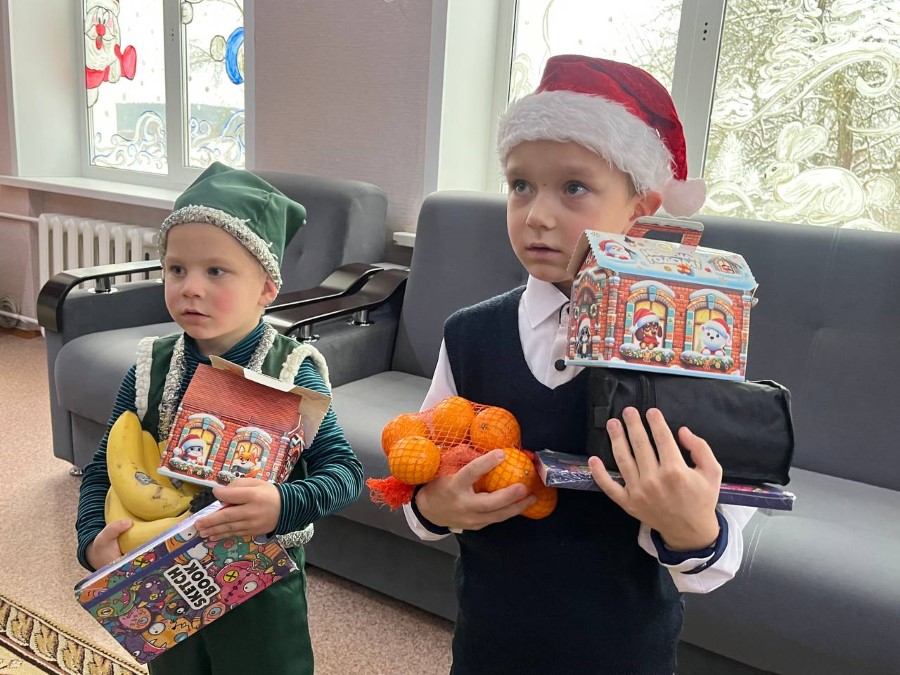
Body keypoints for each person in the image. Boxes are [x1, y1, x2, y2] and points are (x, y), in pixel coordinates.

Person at [404, 55, 755, 674]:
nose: (537, 215)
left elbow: (718, 538)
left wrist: (694, 528)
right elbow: (427, 458)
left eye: (573, 188)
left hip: (621, 652)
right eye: (520, 185)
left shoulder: (692, 346)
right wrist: (432, 507)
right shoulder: (469, 335)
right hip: (490, 642)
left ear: (641, 212)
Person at [75, 162, 364, 675]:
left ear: (266, 288)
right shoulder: (150, 369)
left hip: (259, 588)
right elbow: (104, 468)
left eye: (216, 271)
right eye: (176, 269)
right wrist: (92, 538)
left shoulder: (294, 372)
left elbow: (345, 473)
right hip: (163, 577)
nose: (190, 287)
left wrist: (283, 503)